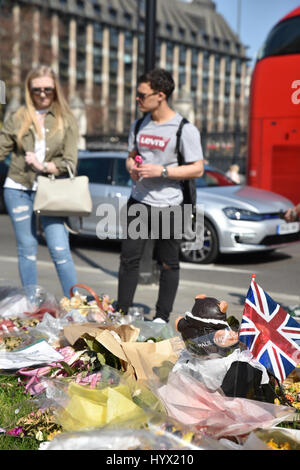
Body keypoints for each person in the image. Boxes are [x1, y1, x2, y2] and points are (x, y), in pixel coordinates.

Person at [117, 68, 204, 323]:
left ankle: (161, 317)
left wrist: (162, 170)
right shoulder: (139, 124)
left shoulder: (184, 129)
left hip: (171, 204)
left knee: (168, 263)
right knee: (129, 259)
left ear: (161, 95)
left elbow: (197, 167)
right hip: (140, 201)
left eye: (142, 95)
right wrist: (131, 167)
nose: (137, 99)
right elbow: (131, 156)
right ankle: (121, 313)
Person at [0, 65, 78, 297]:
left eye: (48, 89)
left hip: (51, 191)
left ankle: (75, 304)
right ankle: (32, 303)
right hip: (18, 188)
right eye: (37, 90)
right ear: (29, 90)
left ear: (56, 90)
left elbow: (70, 162)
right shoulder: (18, 117)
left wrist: (43, 166)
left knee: (59, 248)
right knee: (27, 249)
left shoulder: (67, 119)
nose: (42, 94)